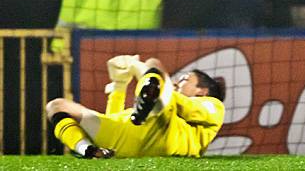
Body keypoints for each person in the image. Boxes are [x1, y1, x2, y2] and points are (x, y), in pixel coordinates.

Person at [46, 54, 225, 158]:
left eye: (185, 79)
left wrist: (137, 67)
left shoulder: (213, 105)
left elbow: (189, 108)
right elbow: (115, 121)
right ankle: (88, 150)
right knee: (56, 105)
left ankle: (155, 97)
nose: (178, 82)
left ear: (203, 92)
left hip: (165, 137)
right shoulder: (141, 110)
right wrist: (119, 86)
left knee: (153, 63)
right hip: (122, 144)